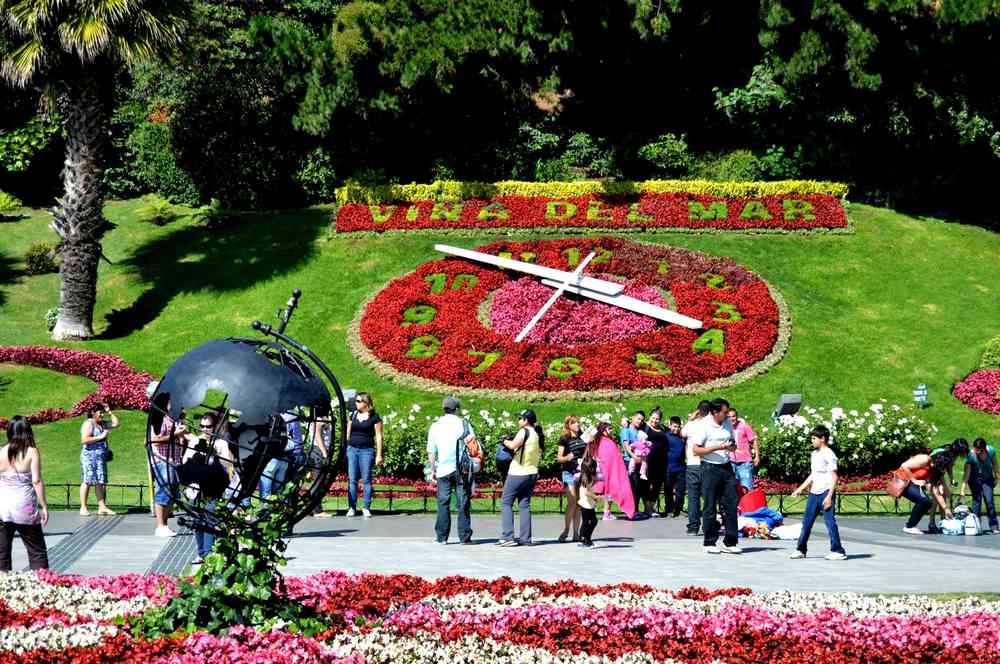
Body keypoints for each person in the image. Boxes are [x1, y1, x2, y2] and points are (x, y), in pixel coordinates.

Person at [183, 412, 235, 564]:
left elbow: (226, 466)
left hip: (212, 488)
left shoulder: (221, 444)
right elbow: (186, 460)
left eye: (208, 426)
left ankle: (207, 554)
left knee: (210, 520)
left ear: (215, 427)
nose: (205, 430)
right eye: (202, 426)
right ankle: (201, 553)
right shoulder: (195, 441)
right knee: (197, 521)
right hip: (196, 488)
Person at [789, 425, 847, 560]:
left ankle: (838, 550)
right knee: (806, 522)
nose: (812, 441)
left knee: (830, 522)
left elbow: (834, 477)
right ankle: (801, 550)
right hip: (814, 493)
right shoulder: (814, 454)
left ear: (823, 439)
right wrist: (800, 489)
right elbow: (813, 474)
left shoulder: (829, 454)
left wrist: (829, 496)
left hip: (826, 492)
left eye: (814, 438)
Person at [691, 398, 741, 554]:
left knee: (731, 503)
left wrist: (732, 446)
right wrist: (718, 447)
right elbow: (696, 451)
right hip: (709, 467)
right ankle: (709, 541)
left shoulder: (726, 423)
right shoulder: (703, 425)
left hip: (726, 466)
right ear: (715, 412)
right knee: (710, 505)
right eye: (724, 413)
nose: (727, 416)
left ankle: (730, 541)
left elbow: (731, 441)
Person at [0, 417, 49, 571]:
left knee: (2, 551)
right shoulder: (31, 451)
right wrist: (43, 506)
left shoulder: (1, 450)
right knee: (37, 551)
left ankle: (3, 586)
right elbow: (36, 481)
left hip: (2, 508)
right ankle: (41, 582)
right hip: (24, 507)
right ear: (28, 431)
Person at [427, 396, 477, 544]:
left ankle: (441, 537)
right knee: (463, 502)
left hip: (443, 469)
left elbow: (431, 451)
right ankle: (464, 536)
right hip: (462, 469)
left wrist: (432, 469)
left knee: (443, 502)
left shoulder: (435, 426)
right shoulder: (464, 424)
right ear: (456, 409)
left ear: (444, 408)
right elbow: (473, 445)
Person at [497, 409, 544, 546]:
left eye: (520, 418)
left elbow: (513, 445)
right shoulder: (536, 434)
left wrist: (504, 440)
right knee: (524, 505)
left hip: (518, 472)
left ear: (526, 420)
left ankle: (508, 537)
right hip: (532, 472)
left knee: (506, 502)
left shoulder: (524, 431)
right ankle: (525, 538)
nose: (518, 421)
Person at [148, 401, 186, 537]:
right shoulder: (160, 420)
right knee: (163, 492)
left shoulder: (177, 421)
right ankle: (160, 525)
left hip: (175, 461)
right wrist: (175, 434)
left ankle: (164, 525)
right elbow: (154, 441)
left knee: (172, 495)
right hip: (163, 461)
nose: (182, 408)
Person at [344, 392, 383, 518]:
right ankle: (352, 507)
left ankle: (366, 507)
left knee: (366, 479)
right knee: (352, 479)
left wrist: (379, 455)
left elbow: (378, 436)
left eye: (359, 401)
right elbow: (348, 432)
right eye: (356, 400)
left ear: (367, 403)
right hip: (353, 449)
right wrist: (347, 447)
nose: (356, 403)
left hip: (367, 450)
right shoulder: (353, 414)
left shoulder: (374, 417)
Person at [896, 450, 954, 534]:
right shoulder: (925, 459)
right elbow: (904, 466)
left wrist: (946, 509)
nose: (944, 470)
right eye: (944, 467)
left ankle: (910, 525)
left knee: (927, 502)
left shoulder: (934, 470)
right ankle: (909, 526)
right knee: (924, 501)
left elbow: (936, 491)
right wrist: (914, 480)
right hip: (902, 480)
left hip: (911, 484)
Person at [589, 421, 636, 520]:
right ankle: (603, 513)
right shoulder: (603, 441)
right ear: (603, 430)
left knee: (607, 492)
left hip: (605, 471)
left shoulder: (602, 441)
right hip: (606, 471)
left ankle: (606, 513)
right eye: (609, 429)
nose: (611, 431)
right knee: (607, 491)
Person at [79, 404, 118, 516]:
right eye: (100, 412)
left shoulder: (103, 424)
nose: (102, 415)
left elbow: (116, 423)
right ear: (93, 413)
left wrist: (110, 411)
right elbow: (84, 439)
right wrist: (101, 437)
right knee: (87, 481)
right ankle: (83, 507)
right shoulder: (88, 424)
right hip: (89, 457)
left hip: (100, 457)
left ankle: (102, 507)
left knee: (100, 481)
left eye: (102, 412)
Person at [926, 439, 969, 532]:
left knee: (943, 495)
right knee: (936, 498)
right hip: (930, 474)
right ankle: (931, 524)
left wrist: (951, 479)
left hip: (938, 473)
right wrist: (945, 487)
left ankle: (943, 521)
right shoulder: (944, 453)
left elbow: (949, 467)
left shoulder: (953, 453)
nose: (962, 455)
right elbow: (939, 472)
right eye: (962, 452)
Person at [681, 400, 710, 536]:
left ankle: (693, 526)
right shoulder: (710, 425)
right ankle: (707, 525)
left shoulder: (691, 425)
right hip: (707, 464)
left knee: (693, 497)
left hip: (692, 464)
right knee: (709, 497)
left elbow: (682, 434)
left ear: (698, 410)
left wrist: (691, 418)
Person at [556, 415, 586, 542]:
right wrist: (567, 457)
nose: (577, 424)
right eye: (574, 423)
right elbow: (559, 458)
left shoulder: (583, 437)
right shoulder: (564, 439)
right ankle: (566, 529)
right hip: (568, 472)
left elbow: (588, 452)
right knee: (572, 502)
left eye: (578, 422)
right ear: (568, 425)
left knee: (579, 504)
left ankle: (576, 533)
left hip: (581, 472)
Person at [961, 438, 999, 534]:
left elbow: (995, 464)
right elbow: (967, 473)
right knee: (977, 501)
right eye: (975, 450)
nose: (977, 452)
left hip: (987, 478)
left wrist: (997, 477)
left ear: (984, 449)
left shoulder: (991, 451)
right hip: (974, 479)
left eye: (979, 451)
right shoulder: (970, 455)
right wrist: (962, 489)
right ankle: (976, 525)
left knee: (989, 500)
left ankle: (994, 525)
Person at [620, 410, 652, 518]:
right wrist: (634, 456)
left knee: (637, 487)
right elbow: (626, 445)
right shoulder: (626, 430)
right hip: (629, 462)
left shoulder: (639, 432)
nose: (640, 421)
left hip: (638, 462)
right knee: (632, 487)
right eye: (638, 419)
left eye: (642, 420)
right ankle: (631, 511)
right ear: (632, 418)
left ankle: (635, 510)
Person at [643, 408, 670, 517]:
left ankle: (652, 506)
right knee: (648, 484)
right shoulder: (645, 427)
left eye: (657, 419)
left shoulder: (663, 428)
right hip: (649, 461)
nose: (655, 421)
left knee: (658, 484)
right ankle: (647, 507)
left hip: (662, 461)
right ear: (650, 417)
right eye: (653, 418)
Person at [728, 408, 759, 491]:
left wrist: (757, 456)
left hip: (744, 462)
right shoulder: (726, 428)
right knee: (732, 489)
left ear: (737, 416)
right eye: (729, 417)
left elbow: (754, 440)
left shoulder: (744, 426)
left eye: (733, 416)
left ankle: (748, 503)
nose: (732, 419)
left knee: (747, 486)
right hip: (730, 462)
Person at [663, 416, 687, 518]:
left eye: (678, 427)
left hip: (681, 468)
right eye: (674, 426)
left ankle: (679, 509)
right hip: (669, 468)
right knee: (668, 490)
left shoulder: (681, 437)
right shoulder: (666, 436)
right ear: (670, 425)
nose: (676, 429)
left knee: (680, 490)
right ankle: (669, 509)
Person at [576, 456, 600, 548]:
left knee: (593, 521)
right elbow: (587, 492)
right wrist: (596, 497)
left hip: (590, 503)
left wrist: (594, 498)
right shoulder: (585, 479)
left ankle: (586, 538)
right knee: (586, 522)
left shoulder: (590, 477)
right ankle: (584, 539)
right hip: (585, 504)